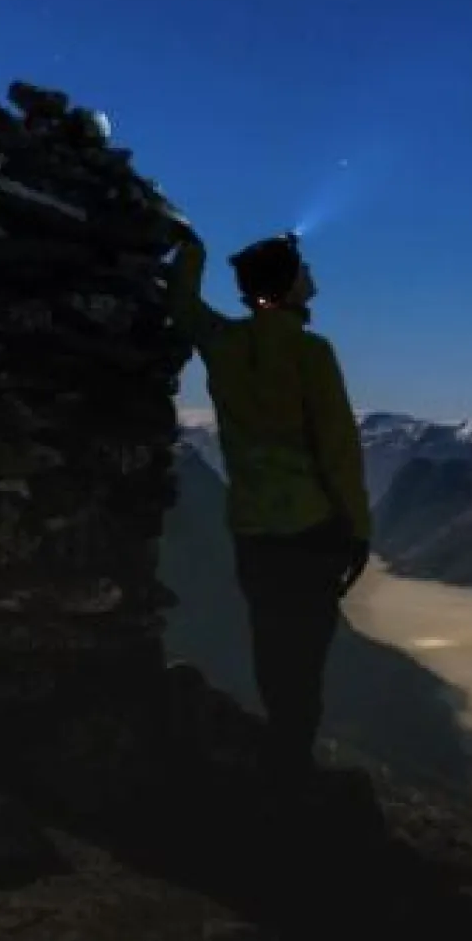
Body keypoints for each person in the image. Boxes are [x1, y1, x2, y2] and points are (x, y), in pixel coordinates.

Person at [166, 227, 373, 788]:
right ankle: (292, 765)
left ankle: (281, 760)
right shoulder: (311, 352)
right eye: (302, 267)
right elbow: (337, 448)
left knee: (271, 646)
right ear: (288, 283)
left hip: (253, 530)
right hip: (311, 531)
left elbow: (181, 304)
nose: (312, 275)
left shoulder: (223, 343)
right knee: (306, 658)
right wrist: (358, 530)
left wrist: (190, 247)